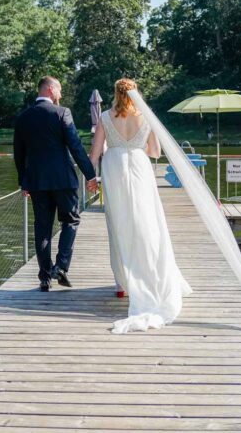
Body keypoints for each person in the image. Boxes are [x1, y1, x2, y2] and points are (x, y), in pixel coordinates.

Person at [89, 78, 192, 333]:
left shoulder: (104, 116)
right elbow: (155, 151)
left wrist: (92, 178)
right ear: (136, 93)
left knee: (118, 224)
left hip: (113, 169)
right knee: (146, 223)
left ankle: (122, 284)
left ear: (115, 93)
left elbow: (95, 153)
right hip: (139, 167)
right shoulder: (147, 116)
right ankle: (149, 274)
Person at [13, 76, 97, 292]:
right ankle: (60, 266)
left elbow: (18, 154)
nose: (60, 95)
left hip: (37, 182)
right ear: (50, 89)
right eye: (59, 90)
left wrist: (24, 182)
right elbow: (76, 146)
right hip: (63, 180)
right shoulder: (62, 113)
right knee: (70, 221)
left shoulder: (23, 117)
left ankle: (44, 277)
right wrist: (90, 174)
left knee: (42, 228)